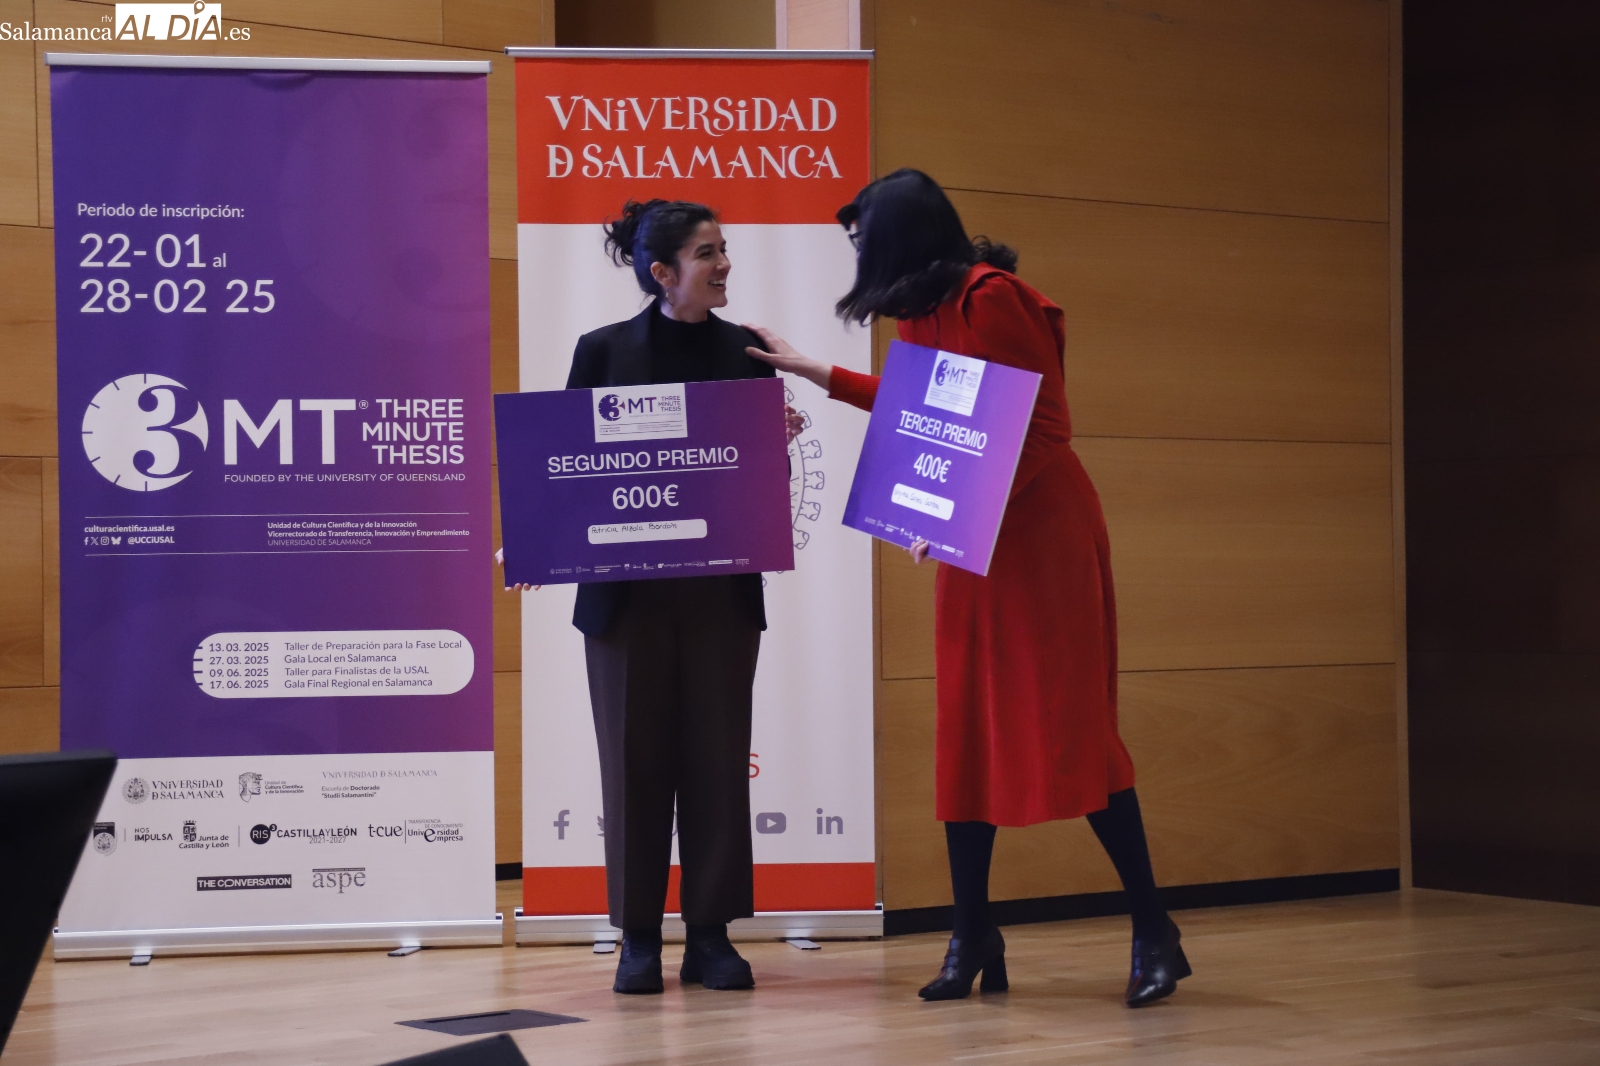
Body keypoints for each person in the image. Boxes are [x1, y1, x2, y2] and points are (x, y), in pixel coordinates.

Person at [743, 169, 1191, 1007]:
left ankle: (1154, 928)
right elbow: (921, 416)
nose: (857, 253)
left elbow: (1045, 428)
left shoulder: (992, 298)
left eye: (862, 237)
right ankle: (972, 933)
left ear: (901, 233)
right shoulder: (921, 309)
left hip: (1039, 534)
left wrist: (961, 509)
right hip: (975, 538)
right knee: (968, 733)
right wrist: (814, 370)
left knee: (1076, 730)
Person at [504, 199, 798, 995]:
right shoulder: (601, 350)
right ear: (664, 273)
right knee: (633, 764)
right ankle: (637, 935)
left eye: (724, 248)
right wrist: (534, 543)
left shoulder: (747, 354)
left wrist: (777, 443)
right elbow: (565, 466)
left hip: (720, 595)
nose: (725, 264)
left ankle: (710, 934)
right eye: (708, 253)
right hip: (624, 601)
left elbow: (759, 487)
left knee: (715, 764)